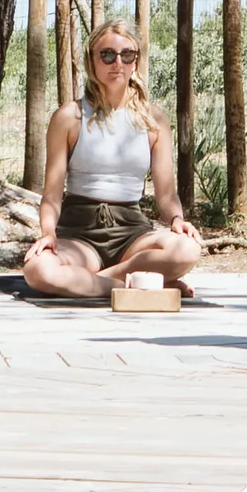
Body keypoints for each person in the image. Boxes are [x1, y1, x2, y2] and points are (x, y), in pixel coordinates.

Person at [16, 17, 208, 300]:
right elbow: (52, 194)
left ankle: (94, 283)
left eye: (126, 54)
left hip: (132, 232)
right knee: (39, 271)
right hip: (79, 232)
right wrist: (48, 234)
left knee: (188, 249)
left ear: (135, 61)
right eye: (107, 55)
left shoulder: (153, 120)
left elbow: (166, 194)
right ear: (91, 61)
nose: (117, 62)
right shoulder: (69, 117)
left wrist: (177, 219)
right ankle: (133, 286)